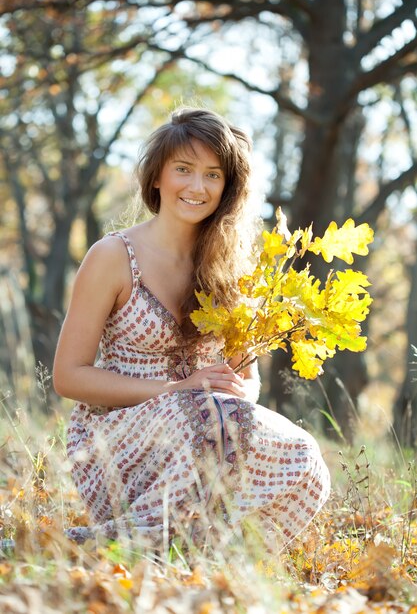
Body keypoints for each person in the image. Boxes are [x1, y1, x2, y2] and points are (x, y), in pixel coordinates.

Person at [53, 107, 330, 549]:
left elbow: (247, 378)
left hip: (212, 430)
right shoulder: (112, 257)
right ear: (158, 177)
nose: (197, 187)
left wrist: (235, 397)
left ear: (227, 188)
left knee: (305, 455)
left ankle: (212, 560)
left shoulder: (234, 269)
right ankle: (108, 545)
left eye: (213, 175)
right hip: (114, 440)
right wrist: (180, 389)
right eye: (183, 169)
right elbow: (68, 377)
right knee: (202, 416)